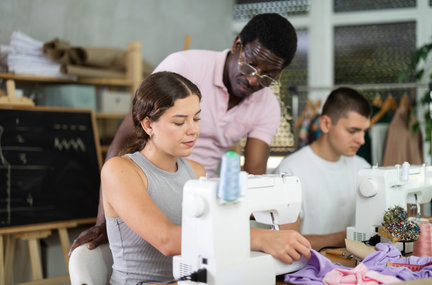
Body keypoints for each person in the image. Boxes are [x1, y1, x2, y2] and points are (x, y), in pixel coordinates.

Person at [70, 13, 298, 254]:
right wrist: (107, 220)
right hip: (149, 186)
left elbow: (253, 178)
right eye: (250, 65)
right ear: (237, 45)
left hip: (201, 197)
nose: (254, 80)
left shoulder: (266, 108)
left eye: (267, 76)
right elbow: (124, 140)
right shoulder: (184, 68)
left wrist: (241, 224)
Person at [101, 71, 311, 283]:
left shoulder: (196, 172)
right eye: (179, 122)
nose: (193, 130)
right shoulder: (121, 170)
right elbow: (167, 241)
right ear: (148, 125)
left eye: (196, 118)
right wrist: (259, 238)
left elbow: (214, 232)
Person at [274, 87, 372, 251]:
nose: (362, 140)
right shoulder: (290, 172)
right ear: (326, 124)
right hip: (305, 272)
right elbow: (287, 242)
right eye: (353, 131)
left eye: (364, 131)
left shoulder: (364, 168)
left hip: (354, 269)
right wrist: (349, 237)